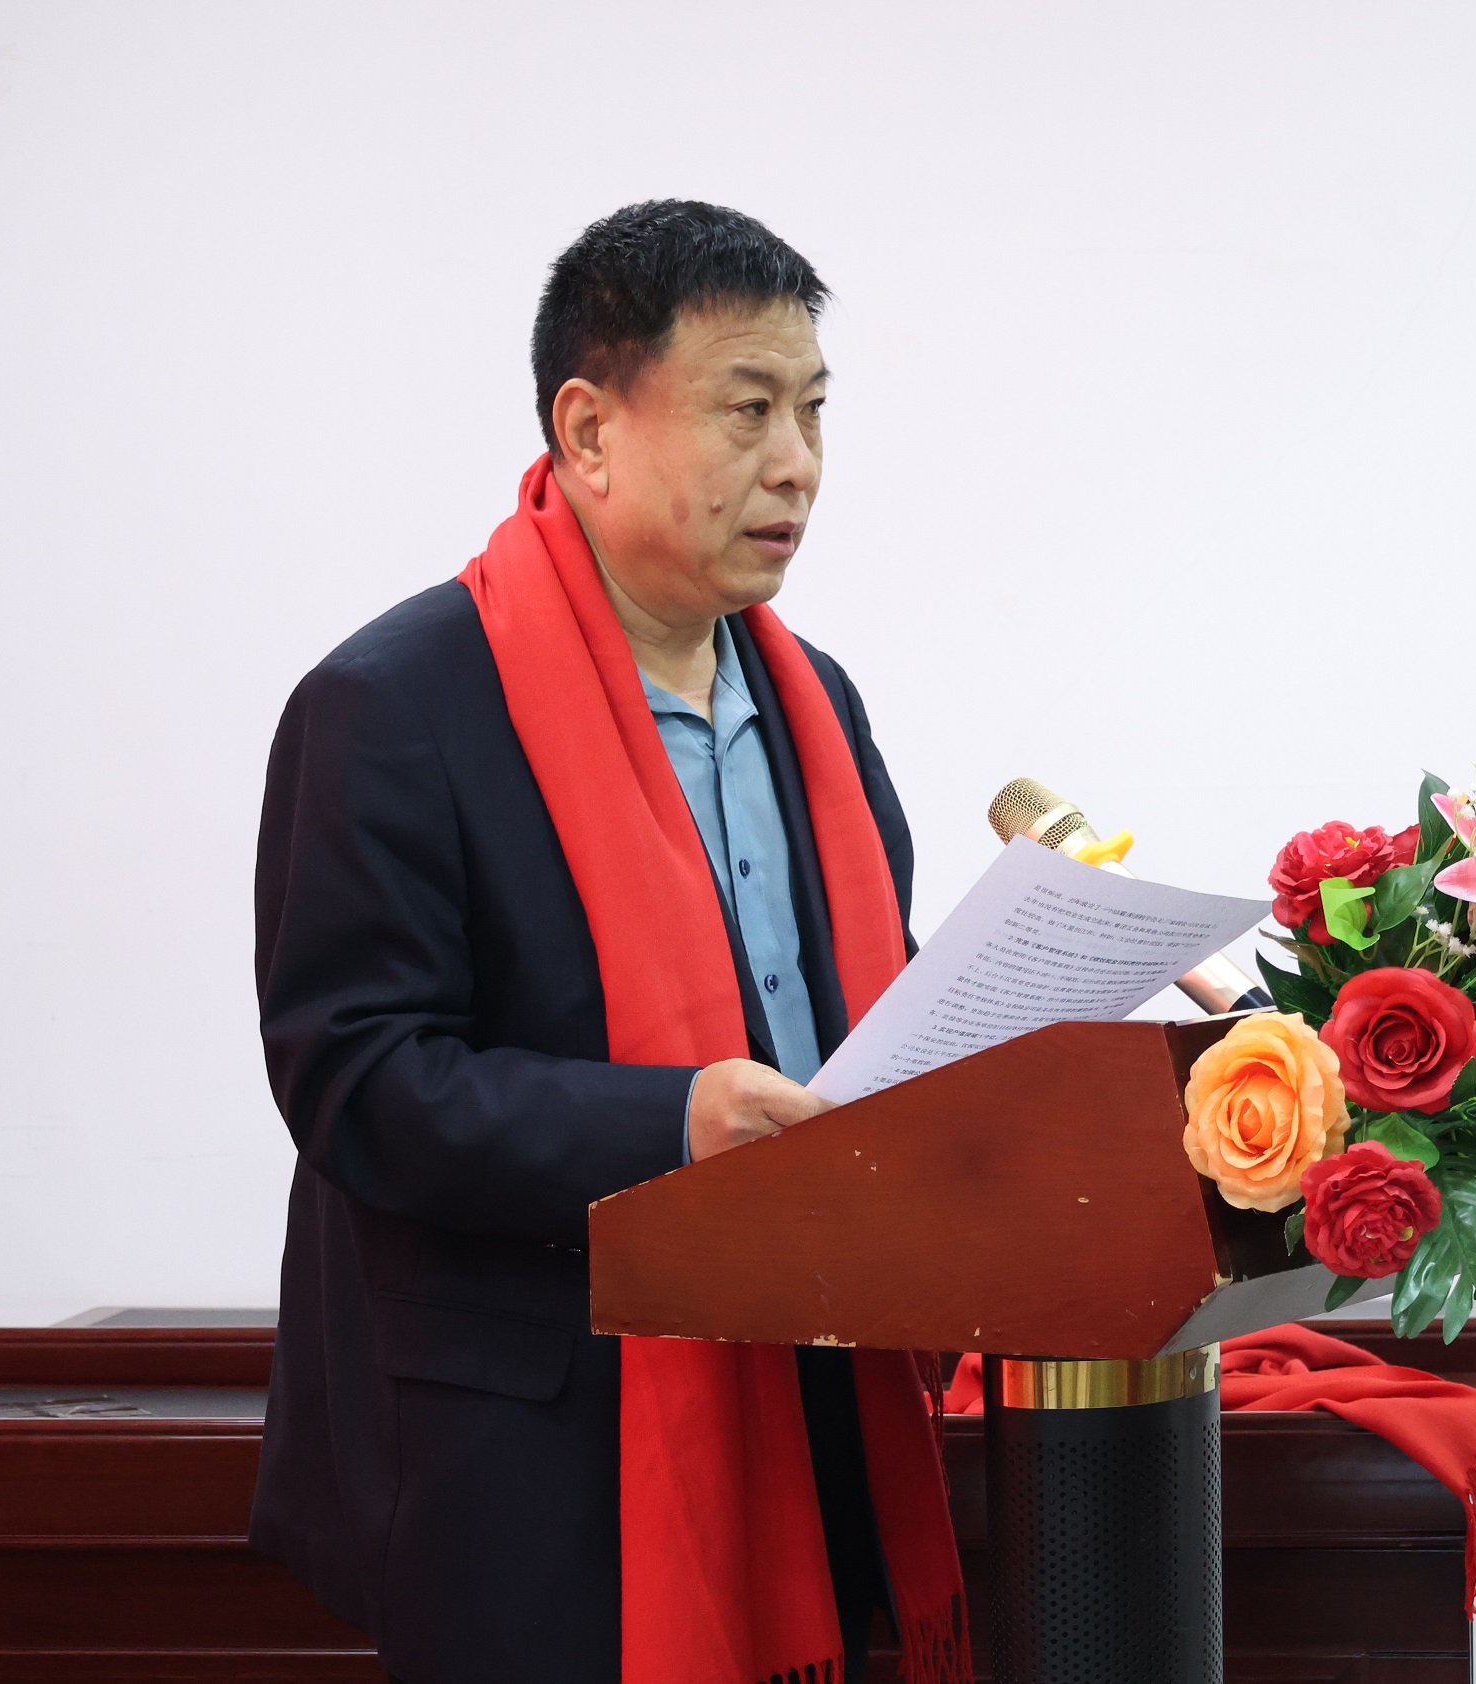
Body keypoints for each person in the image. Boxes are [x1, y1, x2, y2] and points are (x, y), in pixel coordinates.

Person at [248, 201, 967, 1684]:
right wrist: (668, 1127)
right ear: (588, 430)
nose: (797, 463)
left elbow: (862, 1012)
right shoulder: (398, 706)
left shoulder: (818, 704)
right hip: (537, 1465)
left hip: (819, 1401)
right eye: (747, 410)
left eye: (814, 412)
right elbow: (358, 1083)